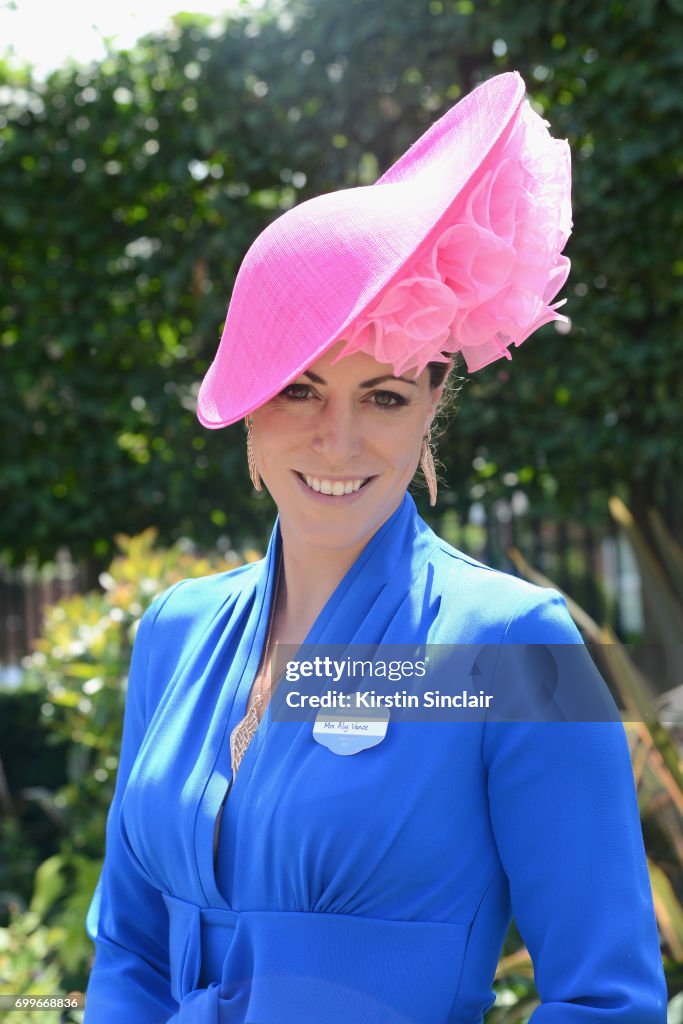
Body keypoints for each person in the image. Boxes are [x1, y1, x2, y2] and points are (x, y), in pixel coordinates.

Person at [83, 71, 667, 1023]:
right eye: (300, 390)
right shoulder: (174, 632)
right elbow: (130, 950)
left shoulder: (516, 644)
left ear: (434, 402)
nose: (338, 440)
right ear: (248, 401)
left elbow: (606, 1002)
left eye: (384, 397)